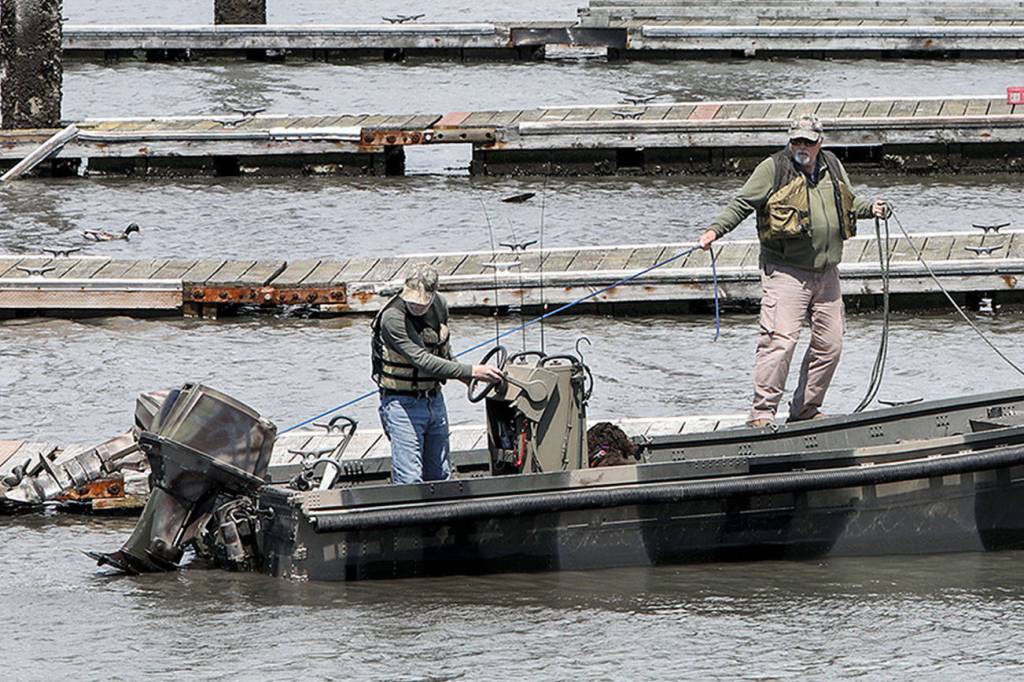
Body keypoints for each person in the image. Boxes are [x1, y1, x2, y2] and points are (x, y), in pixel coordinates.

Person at [699, 114, 888, 428]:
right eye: (796, 141)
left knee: (831, 344)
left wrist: (873, 208)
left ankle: (805, 409)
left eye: (808, 142)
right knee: (780, 342)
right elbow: (742, 204)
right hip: (786, 273)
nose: (802, 147)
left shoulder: (833, 166)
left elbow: (850, 203)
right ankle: (762, 414)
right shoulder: (773, 168)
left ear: (819, 143)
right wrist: (714, 231)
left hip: (827, 274)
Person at [371, 264, 504, 484]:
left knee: (440, 476)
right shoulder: (392, 318)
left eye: (421, 302)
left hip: (434, 401)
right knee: (410, 479)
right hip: (402, 405)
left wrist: (464, 376)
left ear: (433, 295)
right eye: (411, 301)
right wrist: (473, 370)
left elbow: (442, 351)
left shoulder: (440, 305)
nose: (415, 306)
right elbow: (423, 361)